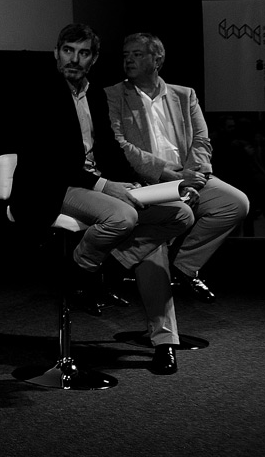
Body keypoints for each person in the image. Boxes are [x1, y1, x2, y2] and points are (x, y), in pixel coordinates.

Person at [8, 23, 194, 375]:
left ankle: (105, 271)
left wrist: (137, 183)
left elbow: (109, 147)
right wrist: (107, 186)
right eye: (68, 51)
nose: (74, 59)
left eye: (83, 53)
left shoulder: (93, 94)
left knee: (180, 214)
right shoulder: (38, 91)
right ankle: (83, 272)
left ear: (93, 59)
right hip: (53, 187)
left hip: (97, 183)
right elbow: (51, 163)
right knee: (125, 219)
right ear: (56, 53)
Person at [105, 33, 249, 301]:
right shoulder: (114, 95)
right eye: (126, 55)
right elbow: (120, 145)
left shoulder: (184, 94)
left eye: (137, 54)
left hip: (187, 174)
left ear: (157, 59)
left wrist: (192, 176)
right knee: (178, 212)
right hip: (148, 179)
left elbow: (201, 140)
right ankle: (118, 265)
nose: (129, 60)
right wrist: (167, 175)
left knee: (235, 203)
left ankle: (184, 267)